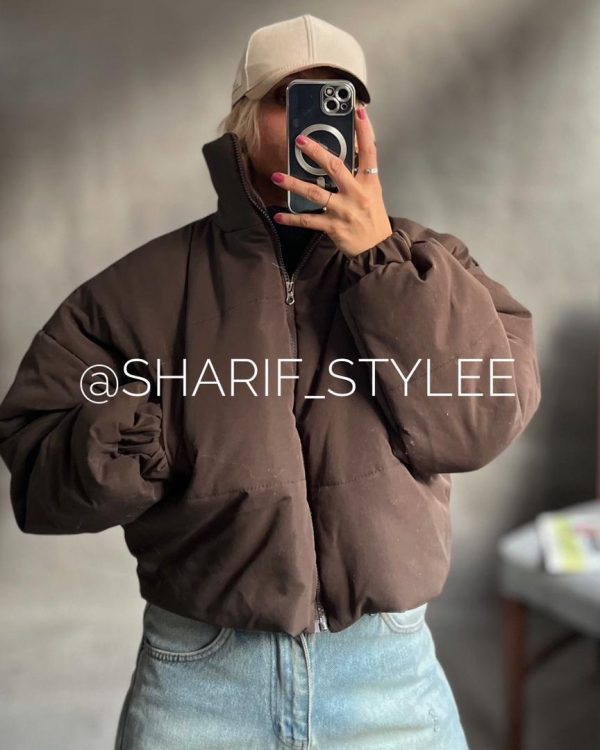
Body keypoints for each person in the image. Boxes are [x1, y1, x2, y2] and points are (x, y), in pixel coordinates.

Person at [0, 14, 541, 750]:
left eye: (343, 100)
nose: (321, 121)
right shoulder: (141, 290)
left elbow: (478, 420)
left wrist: (380, 261)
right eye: (294, 97)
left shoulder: (431, 268)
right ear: (245, 119)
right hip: (199, 682)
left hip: (387, 678)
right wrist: (162, 429)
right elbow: (38, 464)